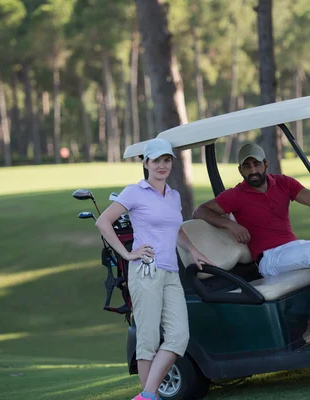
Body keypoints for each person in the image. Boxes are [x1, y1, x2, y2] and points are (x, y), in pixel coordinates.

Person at [96, 138, 212, 400]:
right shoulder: (134, 192)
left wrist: (193, 250)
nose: (162, 165)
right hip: (145, 272)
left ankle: (147, 395)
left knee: (179, 337)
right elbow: (103, 222)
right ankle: (150, 397)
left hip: (171, 273)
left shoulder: (173, 195)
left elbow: (177, 230)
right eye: (156, 160)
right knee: (147, 340)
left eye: (167, 160)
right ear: (146, 163)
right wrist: (127, 253)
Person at [193, 143, 310, 300]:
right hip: (269, 259)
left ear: (266, 164)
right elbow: (200, 211)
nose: (252, 170)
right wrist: (230, 224)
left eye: (256, 164)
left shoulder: (283, 183)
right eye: (247, 166)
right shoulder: (235, 195)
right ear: (240, 170)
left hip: (294, 248)